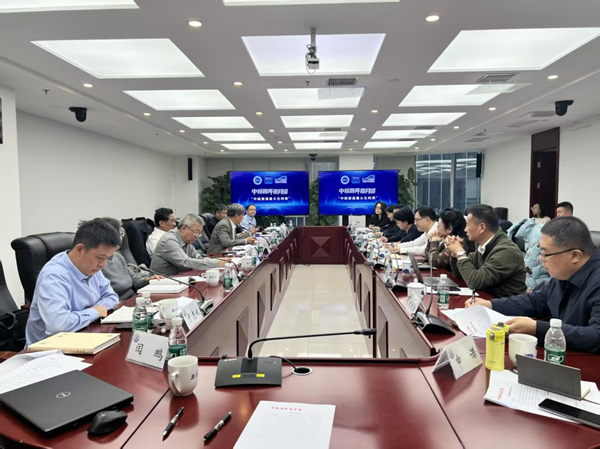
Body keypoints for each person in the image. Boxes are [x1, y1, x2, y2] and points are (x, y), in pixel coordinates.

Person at [466, 217, 600, 353]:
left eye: (546, 253)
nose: (540, 259)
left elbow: (596, 336)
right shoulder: (564, 273)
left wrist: (537, 329)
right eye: (540, 252)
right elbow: (534, 301)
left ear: (575, 255)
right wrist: (491, 305)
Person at [25, 219, 120, 346]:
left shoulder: (92, 268)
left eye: (108, 258)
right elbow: (58, 325)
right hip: (49, 350)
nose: (103, 265)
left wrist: (91, 312)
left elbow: (111, 297)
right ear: (79, 249)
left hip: (83, 336)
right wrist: (94, 312)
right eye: (100, 257)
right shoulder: (54, 276)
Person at [447, 204, 526, 298]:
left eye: (467, 225)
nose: (465, 230)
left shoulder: (506, 251)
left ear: (482, 228)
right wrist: (455, 253)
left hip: (504, 305)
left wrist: (460, 252)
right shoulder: (483, 244)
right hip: (486, 300)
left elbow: (475, 282)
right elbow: (459, 274)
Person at [101, 218, 162, 301]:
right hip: (118, 303)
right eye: (120, 234)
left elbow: (134, 281)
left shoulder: (118, 257)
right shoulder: (98, 264)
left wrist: (147, 280)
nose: (122, 237)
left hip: (134, 298)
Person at [150, 214, 225, 275]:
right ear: (183, 228)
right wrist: (216, 263)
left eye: (199, 233)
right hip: (162, 283)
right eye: (196, 232)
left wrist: (219, 260)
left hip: (179, 279)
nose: (197, 237)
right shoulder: (169, 240)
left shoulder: (187, 241)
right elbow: (185, 262)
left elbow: (198, 257)